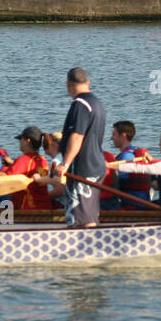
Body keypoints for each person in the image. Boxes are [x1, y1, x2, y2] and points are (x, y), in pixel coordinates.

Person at [55, 67, 107, 227]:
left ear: (68, 84)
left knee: (79, 217)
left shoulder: (80, 104)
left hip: (82, 169)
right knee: (89, 214)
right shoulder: (97, 103)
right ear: (88, 82)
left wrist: (65, 164)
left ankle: (82, 248)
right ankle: (93, 245)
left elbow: (77, 137)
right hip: (96, 165)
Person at [110, 128, 161, 211]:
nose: (159, 144)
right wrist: (152, 160)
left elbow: (137, 168)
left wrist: (109, 166)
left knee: (131, 207)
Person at [107, 121, 152, 210]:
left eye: (114, 134)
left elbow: (117, 182)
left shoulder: (126, 156)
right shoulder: (136, 152)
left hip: (131, 203)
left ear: (123, 135)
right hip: (144, 200)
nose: (111, 138)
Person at [8, 126, 52, 211]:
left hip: (27, 208)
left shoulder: (23, 159)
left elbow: (6, 178)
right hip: (45, 205)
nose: (19, 142)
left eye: (21, 139)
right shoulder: (43, 160)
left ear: (27, 141)